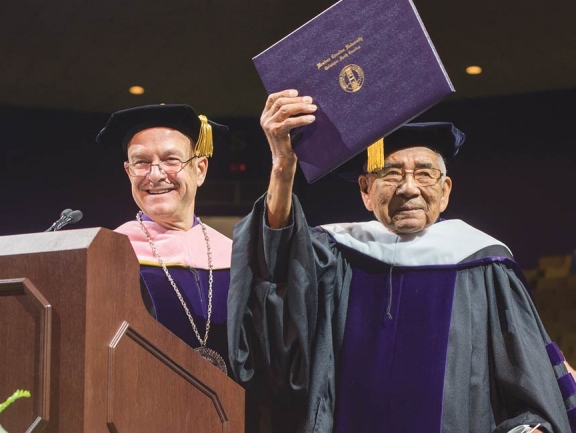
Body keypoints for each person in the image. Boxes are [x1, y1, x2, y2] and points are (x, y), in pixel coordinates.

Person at [228, 89, 576, 432]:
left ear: (445, 191)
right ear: (365, 189)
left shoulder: (483, 265)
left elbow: (528, 383)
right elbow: (276, 280)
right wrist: (282, 165)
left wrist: (532, 427)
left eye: (424, 174)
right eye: (391, 173)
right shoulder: (334, 255)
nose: (409, 187)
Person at [96, 104, 231, 374]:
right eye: (141, 162)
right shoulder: (108, 254)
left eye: (171, 160)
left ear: (200, 169)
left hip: (233, 409)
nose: (155, 175)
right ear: (128, 172)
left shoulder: (233, 254)